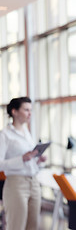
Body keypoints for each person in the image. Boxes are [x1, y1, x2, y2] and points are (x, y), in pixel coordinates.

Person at [0, 97, 46, 230]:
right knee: (17, 226)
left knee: (32, 226)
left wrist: (38, 161)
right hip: (16, 185)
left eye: (31, 110)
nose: (30, 113)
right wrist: (22, 159)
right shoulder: (4, 135)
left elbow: (29, 162)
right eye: (26, 110)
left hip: (34, 183)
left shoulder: (27, 133)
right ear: (14, 112)